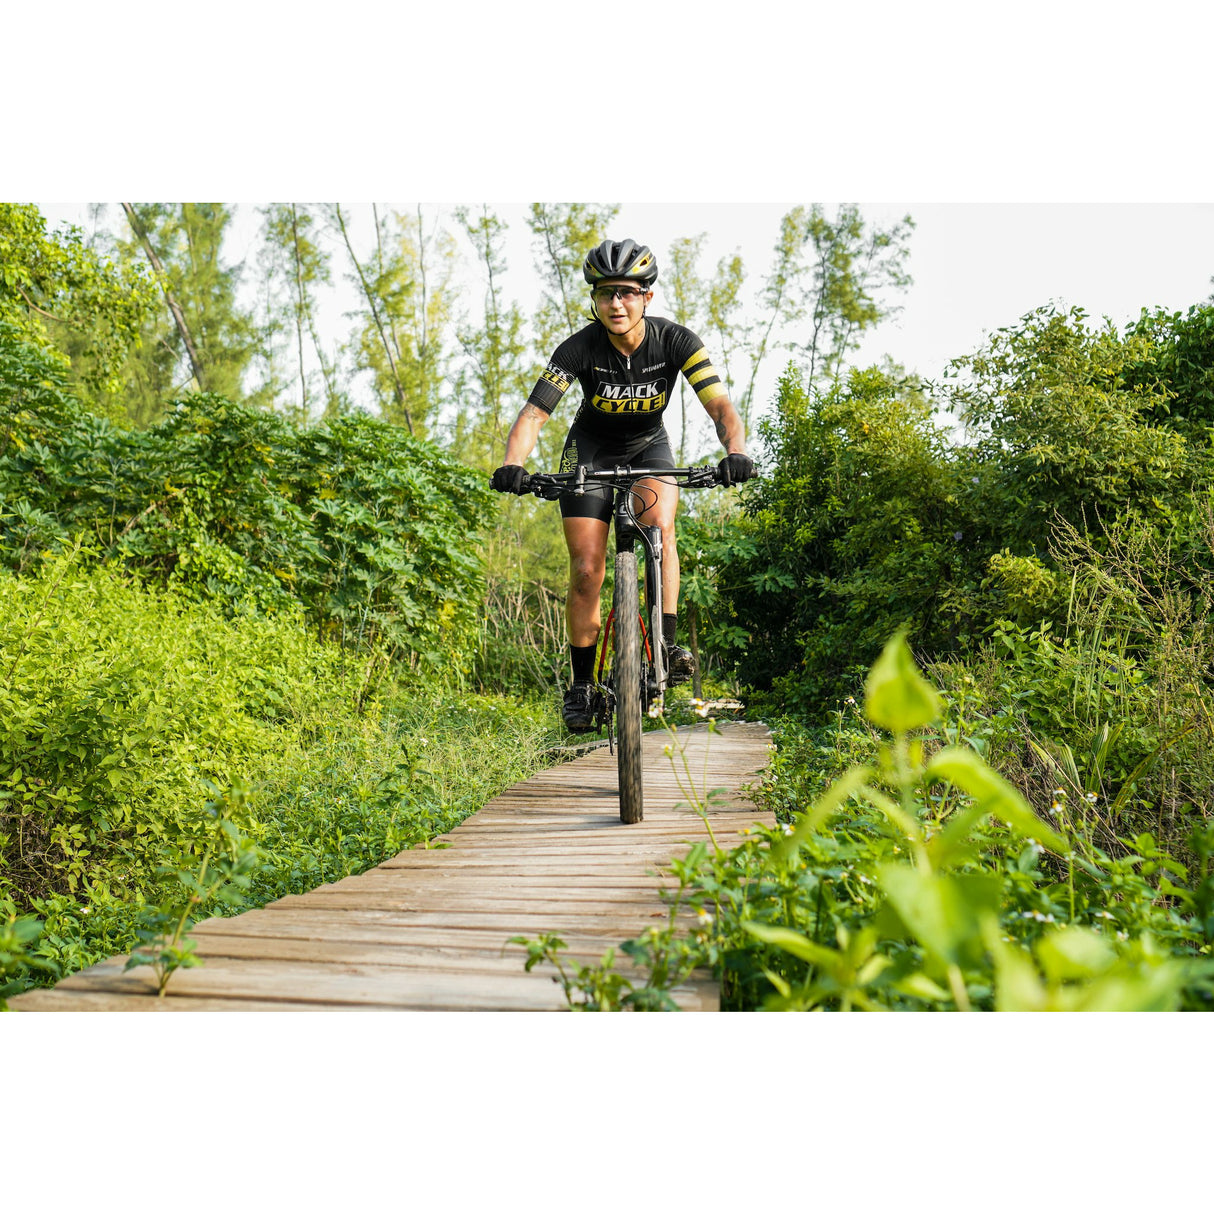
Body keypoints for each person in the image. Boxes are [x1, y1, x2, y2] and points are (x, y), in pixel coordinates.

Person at [492, 238, 754, 732]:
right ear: (594, 299)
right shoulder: (578, 348)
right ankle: (582, 687)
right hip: (589, 450)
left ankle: (669, 644)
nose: (616, 303)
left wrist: (734, 452)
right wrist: (513, 462)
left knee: (661, 527)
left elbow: (721, 408)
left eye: (628, 293)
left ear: (647, 298)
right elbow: (534, 413)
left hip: (647, 447)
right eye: (606, 293)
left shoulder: (677, 342)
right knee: (588, 567)